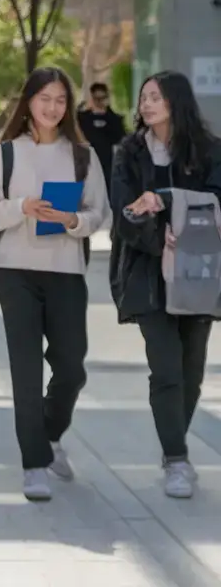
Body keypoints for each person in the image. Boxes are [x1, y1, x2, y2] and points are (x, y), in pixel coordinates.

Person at [0, 68, 109, 502]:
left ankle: (49, 436)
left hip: (66, 271)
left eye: (61, 100)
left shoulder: (82, 155)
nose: (52, 107)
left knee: (71, 367)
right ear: (28, 101)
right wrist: (22, 207)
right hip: (15, 270)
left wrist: (72, 220)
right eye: (44, 98)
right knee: (27, 370)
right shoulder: (5, 154)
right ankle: (34, 464)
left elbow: (98, 214)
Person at [110, 71, 221, 500]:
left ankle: (173, 445)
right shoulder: (130, 152)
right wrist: (160, 240)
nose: (146, 104)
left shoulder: (209, 151)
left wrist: (170, 205)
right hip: (145, 271)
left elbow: (216, 200)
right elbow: (125, 213)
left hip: (197, 271)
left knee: (192, 372)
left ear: (176, 101)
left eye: (154, 97)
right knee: (167, 369)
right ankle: (177, 458)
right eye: (143, 98)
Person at [78, 82, 126, 200]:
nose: (99, 102)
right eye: (96, 99)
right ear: (92, 98)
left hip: (108, 165)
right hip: (85, 164)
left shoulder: (115, 120)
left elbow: (121, 142)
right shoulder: (81, 119)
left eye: (102, 98)